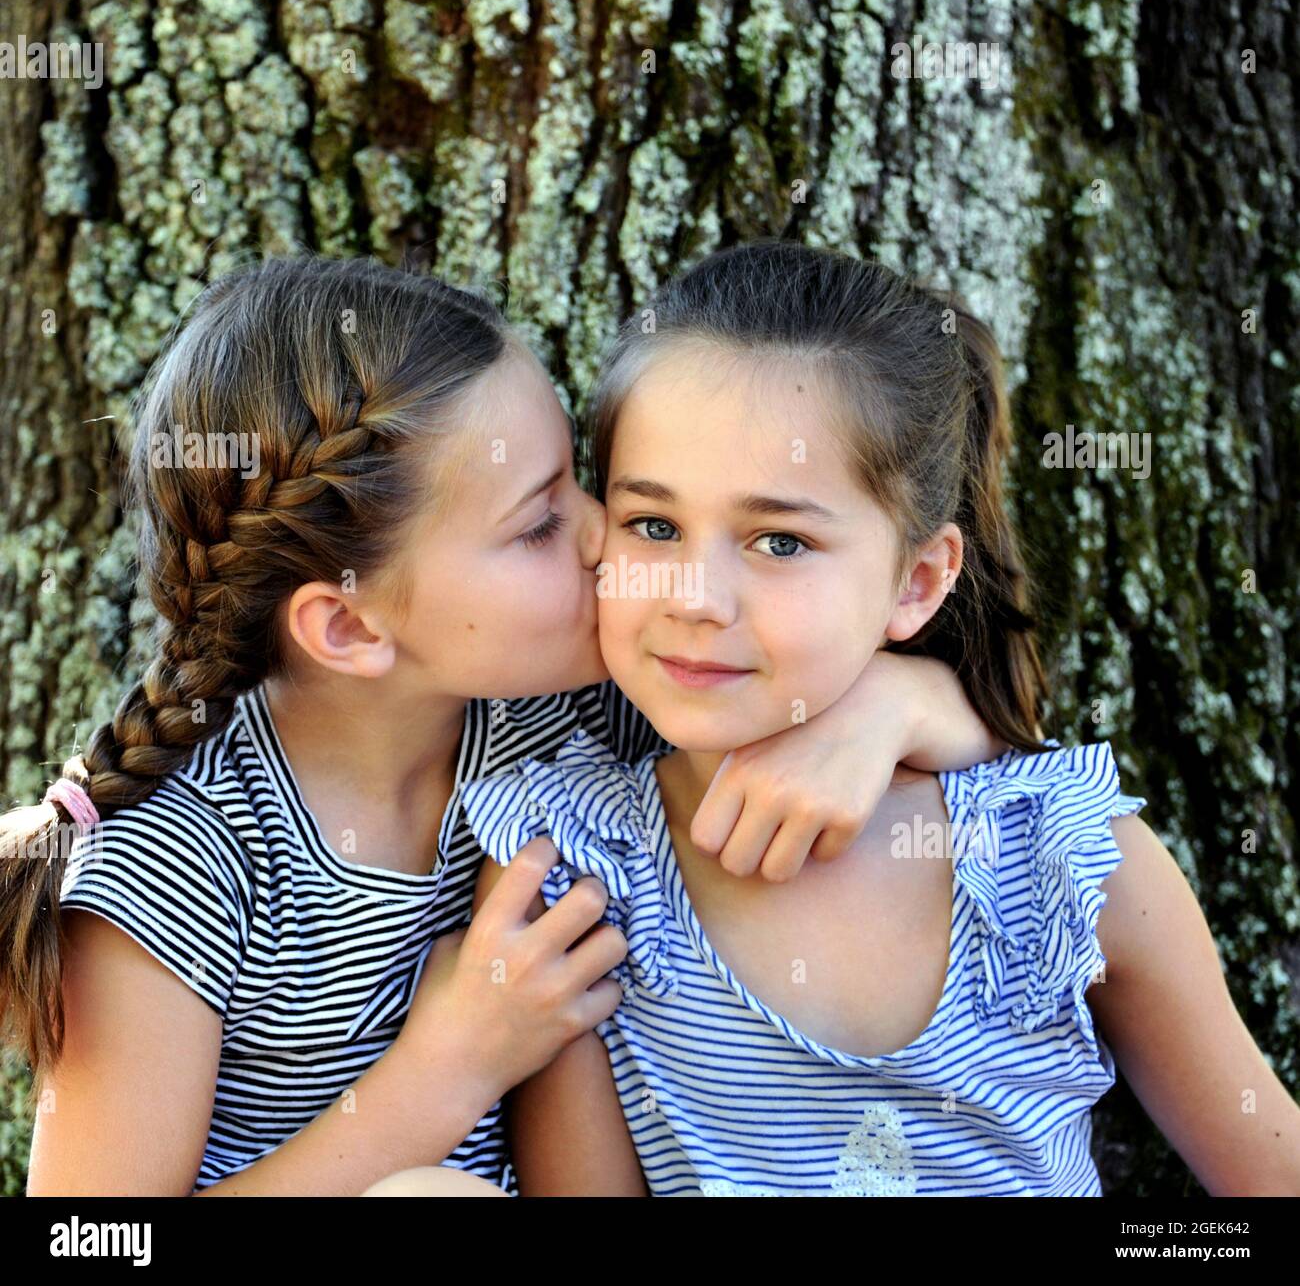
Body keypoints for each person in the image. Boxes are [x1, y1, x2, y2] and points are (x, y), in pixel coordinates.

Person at [0, 253, 1000, 1196]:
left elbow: (996, 774)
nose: (607, 535)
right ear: (349, 622)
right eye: (537, 524)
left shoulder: (562, 714)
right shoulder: (179, 862)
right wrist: (449, 1068)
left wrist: (897, 706)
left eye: (580, 482)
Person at [459, 239, 1300, 1195]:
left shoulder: (1056, 857)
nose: (696, 596)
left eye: (780, 540)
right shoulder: (572, 868)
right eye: (655, 525)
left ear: (918, 580)